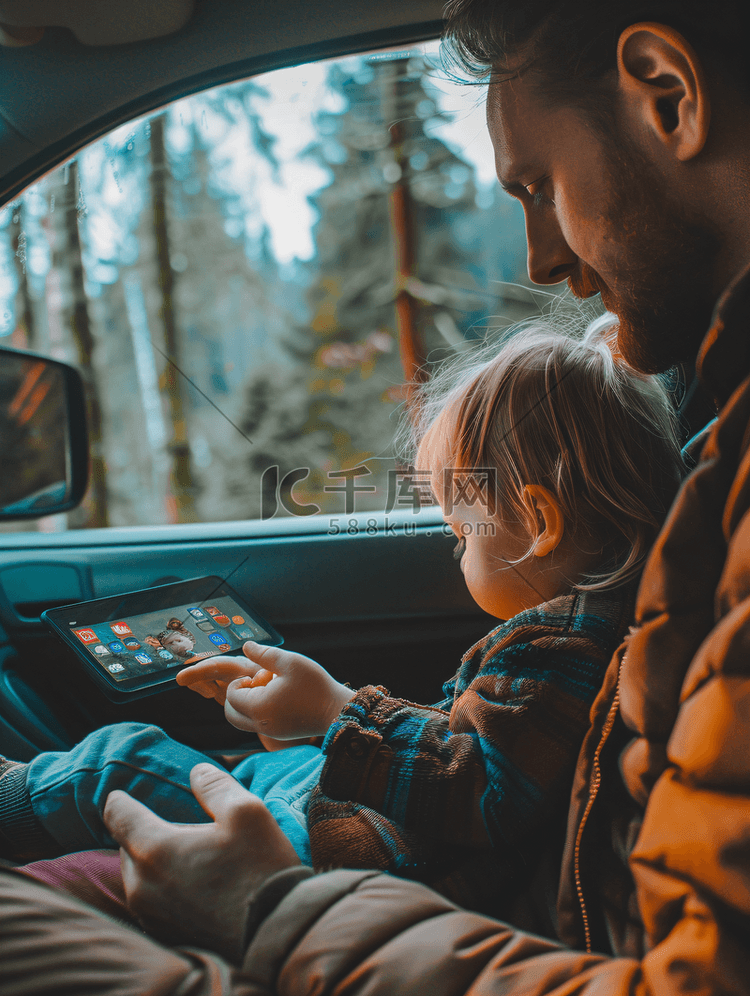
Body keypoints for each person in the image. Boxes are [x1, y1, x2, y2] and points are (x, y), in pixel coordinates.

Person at [4, 0, 750, 990]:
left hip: (408, 877)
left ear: (668, 90)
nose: (542, 261)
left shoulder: (562, 637)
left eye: (537, 185)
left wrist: (285, 876)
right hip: (432, 879)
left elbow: (484, 789)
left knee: (116, 782)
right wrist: (340, 713)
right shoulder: (709, 485)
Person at [0, 323, 683, 914]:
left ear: (538, 523)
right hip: (375, 834)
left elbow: (487, 793)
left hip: (354, 864)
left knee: (126, 758)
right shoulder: (585, 634)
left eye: (464, 531)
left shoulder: (560, 649)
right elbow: (470, 752)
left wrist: (337, 713)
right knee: (266, 764)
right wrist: (323, 720)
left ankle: (18, 797)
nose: (456, 547)